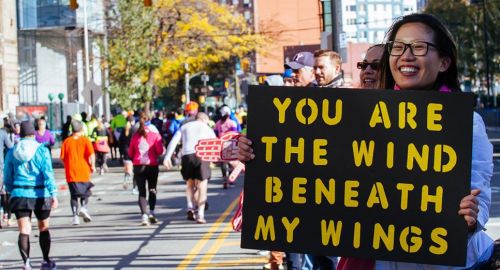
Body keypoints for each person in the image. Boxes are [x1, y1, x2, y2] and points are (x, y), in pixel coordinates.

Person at [4, 121, 58, 269]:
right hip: (41, 193)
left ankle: (26, 263)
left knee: (24, 230)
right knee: (43, 228)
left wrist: (11, 189)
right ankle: (46, 260)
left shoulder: (12, 151)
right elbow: (48, 174)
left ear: (20, 135)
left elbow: (7, 176)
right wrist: (54, 193)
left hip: (20, 193)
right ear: (33, 134)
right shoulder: (42, 150)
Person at [163, 112, 216, 224]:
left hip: (187, 155)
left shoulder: (184, 127)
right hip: (202, 155)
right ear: (204, 119)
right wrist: (216, 157)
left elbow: (174, 141)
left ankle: (190, 206)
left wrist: (167, 157)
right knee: (202, 186)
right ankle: (200, 214)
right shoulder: (206, 127)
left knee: (190, 184)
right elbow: (215, 142)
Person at [128, 112, 165, 226]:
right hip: (152, 166)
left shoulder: (135, 136)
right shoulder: (155, 135)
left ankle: (144, 215)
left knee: (142, 191)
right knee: (152, 189)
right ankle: (152, 213)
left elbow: (130, 152)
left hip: (138, 166)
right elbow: (160, 151)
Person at [60, 120, 95, 226]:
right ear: (81, 129)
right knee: (86, 191)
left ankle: (75, 216)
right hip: (84, 170)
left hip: (71, 172)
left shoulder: (66, 142)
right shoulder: (85, 140)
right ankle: (83, 207)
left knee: (74, 195)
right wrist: (93, 165)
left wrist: (67, 165)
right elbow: (91, 154)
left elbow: (62, 158)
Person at [214, 106, 238, 189]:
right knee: (231, 162)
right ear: (228, 114)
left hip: (221, 143)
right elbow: (235, 134)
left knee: (223, 162)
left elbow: (215, 134)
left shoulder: (217, 123)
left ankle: (224, 179)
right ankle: (231, 181)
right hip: (231, 143)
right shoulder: (232, 123)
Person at [0, 122, 14, 229]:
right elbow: (10, 147)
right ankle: (7, 217)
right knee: (4, 191)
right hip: (0, 166)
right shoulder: (3, 133)